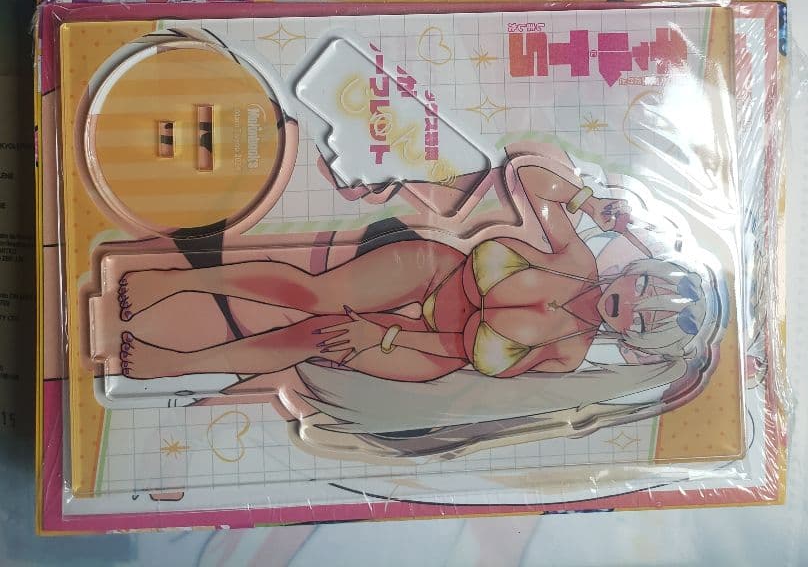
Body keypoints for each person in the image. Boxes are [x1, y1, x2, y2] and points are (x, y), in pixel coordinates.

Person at [110, 145, 718, 459]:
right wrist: (586, 201)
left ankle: (175, 363)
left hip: (433, 352)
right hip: (433, 273)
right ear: (636, 268)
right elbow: (525, 177)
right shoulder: (573, 257)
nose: (632, 304)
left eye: (647, 320)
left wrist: (386, 337)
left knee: (311, 339)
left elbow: (472, 359)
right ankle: (169, 283)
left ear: (638, 339)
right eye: (645, 288)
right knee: (314, 293)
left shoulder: (567, 356)